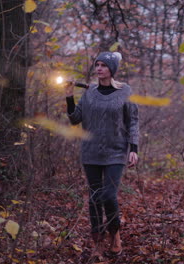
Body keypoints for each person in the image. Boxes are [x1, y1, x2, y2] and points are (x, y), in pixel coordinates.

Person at [64, 51, 139, 258]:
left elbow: (132, 120)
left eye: (104, 65)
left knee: (109, 195)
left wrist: (133, 149)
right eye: (97, 65)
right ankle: (97, 242)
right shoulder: (89, 92)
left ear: (112, 69)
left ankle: (114, 234)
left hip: (116, 152)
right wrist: (69, 97)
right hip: (91, 153)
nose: (99, 68)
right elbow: (74, 119)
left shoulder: (125, 91)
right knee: (95, 198)